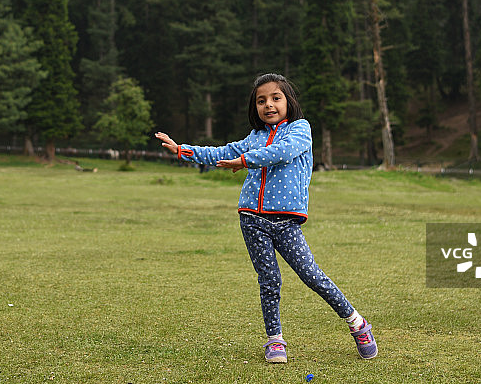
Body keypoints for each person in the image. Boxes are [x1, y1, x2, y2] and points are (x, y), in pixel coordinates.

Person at [155, 73, 378, 364]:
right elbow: (223, 152)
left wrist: (245, 161)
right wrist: (182, 150)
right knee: (269, 281)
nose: (268, 105)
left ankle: (357, 324)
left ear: (289, 101)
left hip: (286, 222)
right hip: (252, 219)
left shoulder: (300, 130)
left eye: (275, 98)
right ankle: (275, 340)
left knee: (312, 275)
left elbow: (280, 154)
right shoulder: (255, 137)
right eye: (261, 101)